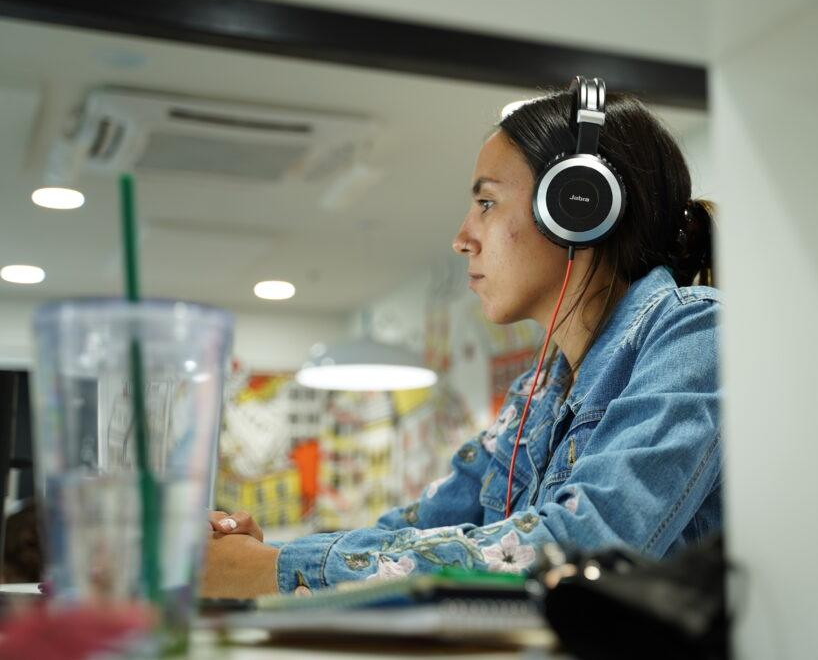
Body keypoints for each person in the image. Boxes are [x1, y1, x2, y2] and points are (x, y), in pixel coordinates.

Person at [200, 78, 721, 598]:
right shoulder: (537, 391)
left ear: (578, 205)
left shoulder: (694, 334)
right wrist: (261, 556)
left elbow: (578, 549)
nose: (462, 238)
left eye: (487, 203)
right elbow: (417, 529)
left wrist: (274, 569)